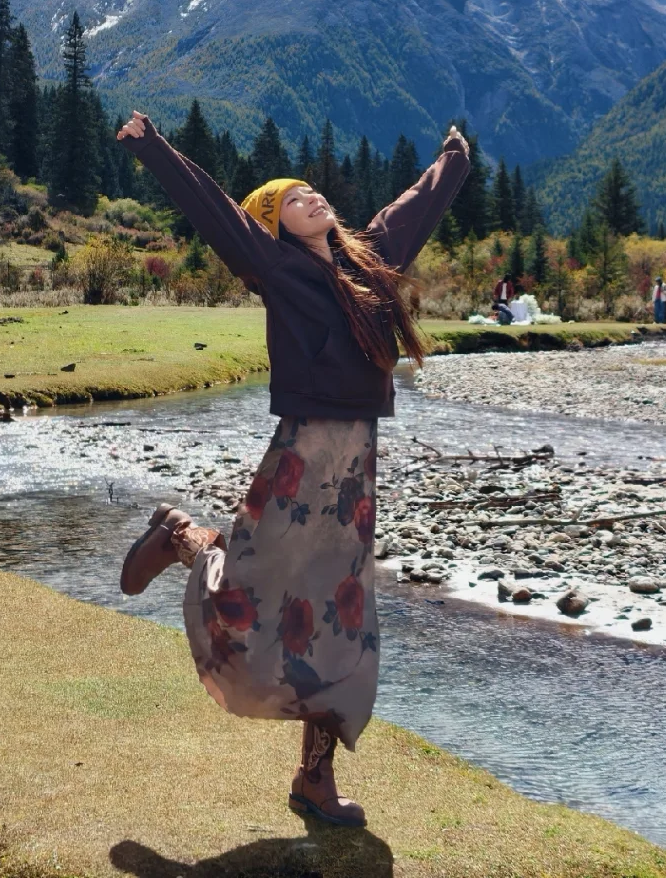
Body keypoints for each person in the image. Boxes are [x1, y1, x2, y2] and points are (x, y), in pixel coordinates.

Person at [115, 110, 470, 828]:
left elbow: (417, 206)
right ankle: (182, 536)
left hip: (354, 463)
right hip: (302, 450)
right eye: (290, 198)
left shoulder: (368, 254)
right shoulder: (274, 265)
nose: (310, 195)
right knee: (253, 596)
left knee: (337, 617)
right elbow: (213, 209)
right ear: (274, 226)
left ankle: (314, 779)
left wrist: (454, 159)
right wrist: (152, 147)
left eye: (311, 189)